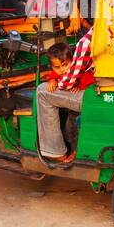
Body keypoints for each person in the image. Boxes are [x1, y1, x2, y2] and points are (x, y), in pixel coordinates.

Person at [37, 20, 94, 163]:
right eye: (57, 67)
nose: (62, 70)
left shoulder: (84, 50)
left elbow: (85, 79)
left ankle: (67, 151)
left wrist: (79, 85)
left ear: (71, 61)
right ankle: (68, 147)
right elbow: (54, 75)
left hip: (85, 97)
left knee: (42, 92)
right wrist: (52, 80)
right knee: (70, 126)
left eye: (65, 65)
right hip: (75, 102)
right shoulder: (58, 72)